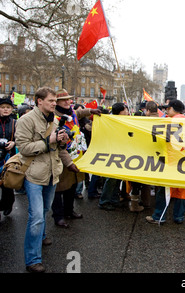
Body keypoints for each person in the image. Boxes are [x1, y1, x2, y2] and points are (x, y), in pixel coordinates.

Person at [15, 87, 69, 273]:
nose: (55, 104)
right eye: (51, 101)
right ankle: (33, 260)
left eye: (55, 101)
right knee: (36, 216)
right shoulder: (26, 120)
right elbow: (23, 148)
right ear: (39, 101)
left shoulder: (54, 121)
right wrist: (49, 141)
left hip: (52, 173)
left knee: (45, 210)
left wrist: (62, 140)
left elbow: (58, 148)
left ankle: (42, 235)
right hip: (34, 175)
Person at [51, 90, 101, 228]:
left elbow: (79, 113)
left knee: (72, 185)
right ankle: (58, 216)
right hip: (61, 156)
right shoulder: (54, 117)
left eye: (69, 100)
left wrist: (92, 110)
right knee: (59, 188)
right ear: (57, 102)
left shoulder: (71, 112)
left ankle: (69, 210)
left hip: (75, 154)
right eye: (64, 100)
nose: (68, 102)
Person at [146, 99, 185, 224]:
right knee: (181, 190)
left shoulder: (171, 121)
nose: (166, 110)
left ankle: (159, 216)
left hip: (170, 159)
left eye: (168, 108)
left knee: (163, 189)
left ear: (173, 109)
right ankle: (179, 217)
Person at [98, 103, 129, 211]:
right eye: (125, 110)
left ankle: (114, 199)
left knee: (118, 179)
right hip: (113, 153)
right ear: (120, 112)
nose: (127, 112)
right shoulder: (111, 122)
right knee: (111, 179)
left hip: (122, 152)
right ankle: (104, 201)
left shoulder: (123, 121)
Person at [0, 98, 17, 219]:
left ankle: (8, 204)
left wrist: (14, 143)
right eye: (2, 107)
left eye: (8, 107)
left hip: (9, 157)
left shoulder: (15, 123)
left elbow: (21, 137)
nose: (5, 109)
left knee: (7, 184)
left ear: (11, 109)